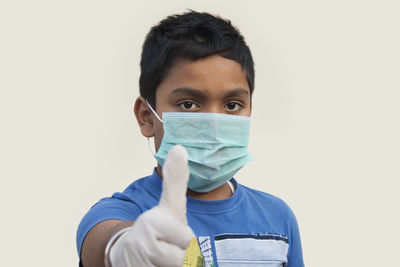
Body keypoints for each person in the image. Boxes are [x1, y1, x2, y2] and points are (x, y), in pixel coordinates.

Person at [76, 10, 305, 267]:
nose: (214, 124)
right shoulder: (122, 211)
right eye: (188, 104)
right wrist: (125, 249)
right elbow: (104, 241)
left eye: (232, 105)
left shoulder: (278, 218)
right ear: (146, 117)